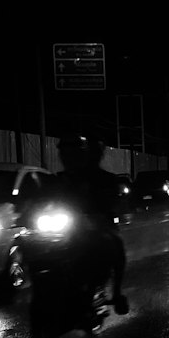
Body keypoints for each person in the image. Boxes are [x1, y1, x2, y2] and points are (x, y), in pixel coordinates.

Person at [53, 134, 129, 312]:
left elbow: (114, 203)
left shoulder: (107, 179)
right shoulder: (65, 178)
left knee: (116, 246)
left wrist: (105, 213)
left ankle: (116, 293)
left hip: (99, 228)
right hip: (69, 229)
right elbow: (50, 199)